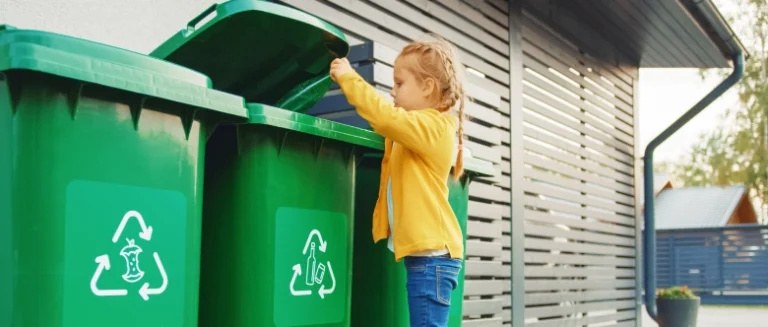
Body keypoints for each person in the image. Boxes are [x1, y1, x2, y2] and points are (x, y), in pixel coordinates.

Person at [330, 35, 467, 327]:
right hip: (428, 258)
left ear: (428, 86)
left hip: (433, 259)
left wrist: (349, 78)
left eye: (399, 84)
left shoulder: (435, 127)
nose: (393, 92)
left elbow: (385, 119)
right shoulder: (418, 129)